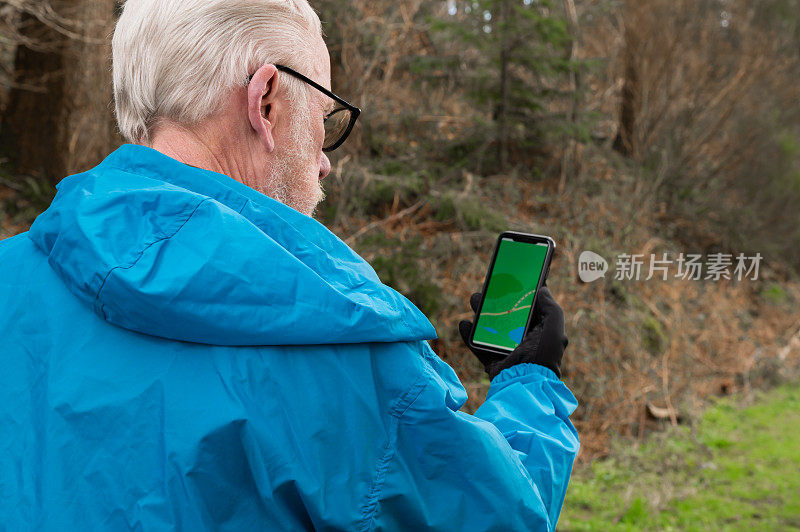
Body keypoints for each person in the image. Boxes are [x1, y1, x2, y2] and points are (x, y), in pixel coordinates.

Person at [0, 0, 580, 529]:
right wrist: (531, 382)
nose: (326, 163)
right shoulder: (345, 356)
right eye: (325, 121)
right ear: (267, 100)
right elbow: (500, 516)